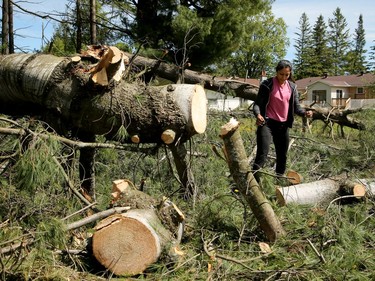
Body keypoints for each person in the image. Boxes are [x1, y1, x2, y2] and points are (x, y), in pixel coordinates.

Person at [252, 60, 312, 180]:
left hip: (283, 126)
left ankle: (279, 181)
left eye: (287, 75)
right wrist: (258, 114)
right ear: (276, 72)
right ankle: (253, 182)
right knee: (262, 154)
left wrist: (305, 113)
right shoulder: (267, 84)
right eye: (281, 74)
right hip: (267, 124)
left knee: (282, 156)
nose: (284, 77)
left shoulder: (292, 87)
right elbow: (257, 104)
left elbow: (296, 107)